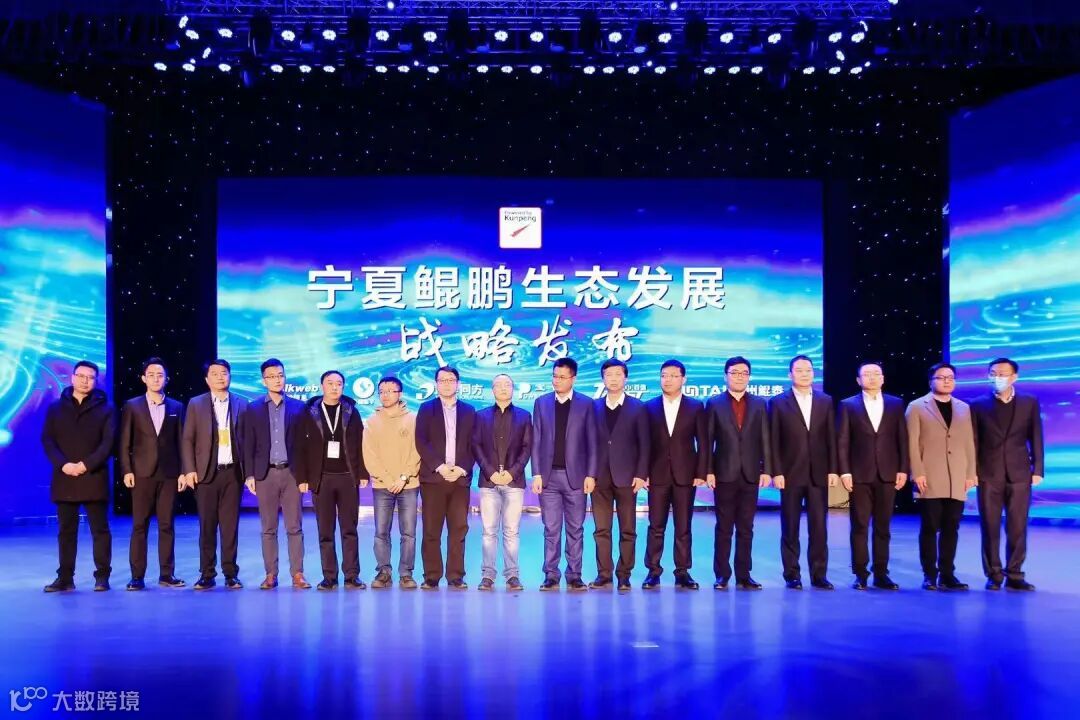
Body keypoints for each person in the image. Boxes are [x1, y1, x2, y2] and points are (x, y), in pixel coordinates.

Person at [41, 360, 115, 593]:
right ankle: (65, 578)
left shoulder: (107, 408)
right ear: (72, 378)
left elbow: (108, 444)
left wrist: (85, 465)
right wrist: (64, 465)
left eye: (90, 377)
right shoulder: (55, 408)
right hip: (65, 477)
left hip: (94, 476)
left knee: (100, 531)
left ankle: (102, 577)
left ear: (96, 381)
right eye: (81, 376)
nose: (85, 381)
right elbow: (48, 440)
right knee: (66, 531)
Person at [970, 357, 1044, 591]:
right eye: (993, 373)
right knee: (989, 526)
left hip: (1020, 473)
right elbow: (973, 441)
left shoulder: (1029, 402)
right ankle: (993, 574)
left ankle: (1015, 574)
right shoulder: (977, 404)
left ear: (1014, 377)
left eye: (1002, 374)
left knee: (1018, 527)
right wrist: (973, 471)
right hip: (988, 473)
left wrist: (1038, 469)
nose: (997, 378)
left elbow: (1036, 436)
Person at [906, 362, 978, 591]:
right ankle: (929, 574)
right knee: (930, 527)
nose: (946, 381)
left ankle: (948, 574)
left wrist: (971, 473)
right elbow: (911, 443)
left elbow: (969, 443)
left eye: (950, 377)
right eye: (941, 377)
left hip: (957, 476)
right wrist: (917, 472)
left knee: (951, 527)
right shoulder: (917, 407)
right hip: (929, 476)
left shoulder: (964, 408)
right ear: (931, 381)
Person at [837, 361, 908, 590]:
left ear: (883, 378)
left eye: (876, 373)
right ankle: (860, 573)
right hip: (859, 474)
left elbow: (902, 439)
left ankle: (881, 573)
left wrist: (903, 469)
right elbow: (843, 441)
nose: (872, 377)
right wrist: (844, 471)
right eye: (867, 374)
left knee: (883, 526)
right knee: (859, 525)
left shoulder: (896, 404)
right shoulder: (848, 405)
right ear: (859, 380)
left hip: (888, 472)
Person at [769, 355, 839, 590]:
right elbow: (773, 440)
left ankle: (819, 575)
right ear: (790, 374)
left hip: (818, 473)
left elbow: (831, 437)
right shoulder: (778, 402)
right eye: (799, 370)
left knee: (819, 527)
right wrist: (776, 471)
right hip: (790, 473)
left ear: (813, 373)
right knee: (790, 527)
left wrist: (833, 469)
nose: (804, 374)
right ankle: (792, 574)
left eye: (808, 370)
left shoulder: (825, 400)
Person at [294, 370, 368, 591]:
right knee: (325, 531)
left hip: (347, 477)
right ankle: (329, 577)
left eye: (339, 383)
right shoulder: (309, 412)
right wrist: (302, 477)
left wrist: (362, 473)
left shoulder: (351, 411)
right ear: (322, 386)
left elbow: (360, 443)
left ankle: (352, 576)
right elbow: (300, 447)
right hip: (321, 478)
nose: (335, 387)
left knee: (349, 529)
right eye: (330, 383)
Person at [241, 358, 310, 590]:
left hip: (292, 473)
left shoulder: (298, 407)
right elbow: (248, 443)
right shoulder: (253, 408)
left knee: (294, 526)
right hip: (265, 474)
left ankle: (298, 574)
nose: (277, 380)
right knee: (268, 527)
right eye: (271, 376)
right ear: (264, 381)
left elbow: (304, 446)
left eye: (280, 375)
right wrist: (249, 475)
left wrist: (305, 476)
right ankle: (270, 574)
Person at [181, 359, 249, 590]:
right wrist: (189, 469)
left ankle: (230, 573)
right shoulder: (196, 403)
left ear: (230, 376)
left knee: (230, 527)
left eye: (224, 373)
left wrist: (248, 473)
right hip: (206, 474)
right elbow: (187, 439)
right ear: (207, 379)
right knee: (207, 526)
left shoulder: (241, 403)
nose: (220, 377)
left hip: (232, 473)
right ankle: (207, 573)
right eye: (215, 373)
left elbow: (247, 440)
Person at [119, 357, 186, 590]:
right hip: (141, 473)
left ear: (166, 379)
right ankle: (137, 576)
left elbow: (182, 443)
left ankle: (167, 574)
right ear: (143, 378)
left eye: (160, 375)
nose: (156, 379)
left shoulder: (177, 407)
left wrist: (183, 472)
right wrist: (127, 470)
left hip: (169, 474)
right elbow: (124, 442)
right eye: (151, 375)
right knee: (140, 525)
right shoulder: (132, 406)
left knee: (167, 525)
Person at [705, 356, 771, 591]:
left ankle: (744, 575)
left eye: (744, 373)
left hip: (751, 473)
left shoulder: (760, 403)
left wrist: (767, 469)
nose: (739, 377)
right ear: (725, 376)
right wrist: (708, 471)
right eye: (734, 372)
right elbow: (708, 440)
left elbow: (765, 438)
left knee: (746, 528)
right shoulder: (714, 403)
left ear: (749, 377)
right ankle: (722, 574)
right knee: (724, 527)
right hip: (724, 473)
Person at [531, 357, 597, 592]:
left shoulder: (586, 404)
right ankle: (551, 574)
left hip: (576, 478)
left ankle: (574, 575)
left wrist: (591, 474)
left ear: (573, 379)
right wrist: (536, 473)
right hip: (548, 478)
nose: (556, 381)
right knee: (551, 528)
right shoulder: (541, 403)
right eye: (554, 376)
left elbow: (592, 442)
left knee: (575, 528)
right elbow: (536, 440)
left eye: (562, 377)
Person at [642, 359, 708, 590]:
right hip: (657, 475)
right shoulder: (649, 407)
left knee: (683, 526)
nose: (667, 380)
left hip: (685, 475)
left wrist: (701, 472)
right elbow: (644, 444)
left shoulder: (695, 406)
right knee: (655, 525)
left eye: (672, 376)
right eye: (663, 376)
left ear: (683, 379)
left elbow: (703, 442)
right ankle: (653, 571)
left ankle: (682, 571)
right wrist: (643, 473)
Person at [590, 359, 649, 592]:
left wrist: (641, 474)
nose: (613, 379)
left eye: (617, 374)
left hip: (628, 477)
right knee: (601, 529)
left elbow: (645, 443)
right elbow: (588, 443)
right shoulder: (593, 407)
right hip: (599, 478)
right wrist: (589, 474)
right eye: (608, 375)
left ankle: (624, 574)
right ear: (603, 379)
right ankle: (604, 574)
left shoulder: (638, 407)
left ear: (625, 378)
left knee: (628, 529)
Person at [415, 366, 477, 590]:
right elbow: (421, 441)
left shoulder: (469, 411)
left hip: (460, 480)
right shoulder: (426, 409)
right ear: (436, 384)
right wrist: (440, 467)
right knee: (431, 530)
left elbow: (474, 444)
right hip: (434, 479)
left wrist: (461, 468)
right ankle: (431, 576)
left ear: (458, 384)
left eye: (451, 380)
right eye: (442, 380)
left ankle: (456, 576)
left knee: (458, 529)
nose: (447, 384)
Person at [472, 373, 533, 592]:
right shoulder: (481, 416)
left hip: (513, 482)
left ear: (513, 389)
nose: (503, 388)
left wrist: (511, 473)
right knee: (489, 531)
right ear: (493, 389)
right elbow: (476, 446)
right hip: (488, 483)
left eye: (507, 384)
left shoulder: (524, 416)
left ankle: (512, 575)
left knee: (511, 531)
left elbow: (527, 448)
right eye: (499, 385)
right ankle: (487, 575)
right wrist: (490, 472)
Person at [362, 376, 421, 590]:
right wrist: (388, 480)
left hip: (409, 484)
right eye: (382, 391)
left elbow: (417, 451)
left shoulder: (413, 419)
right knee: (381, 532)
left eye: (390, 391)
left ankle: (406, 573)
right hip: (382, 486)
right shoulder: (371, 422)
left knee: (409, 533)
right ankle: (383, 572)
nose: (386, 395)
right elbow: (369, 455)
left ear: (400, 394)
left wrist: (403, 477)